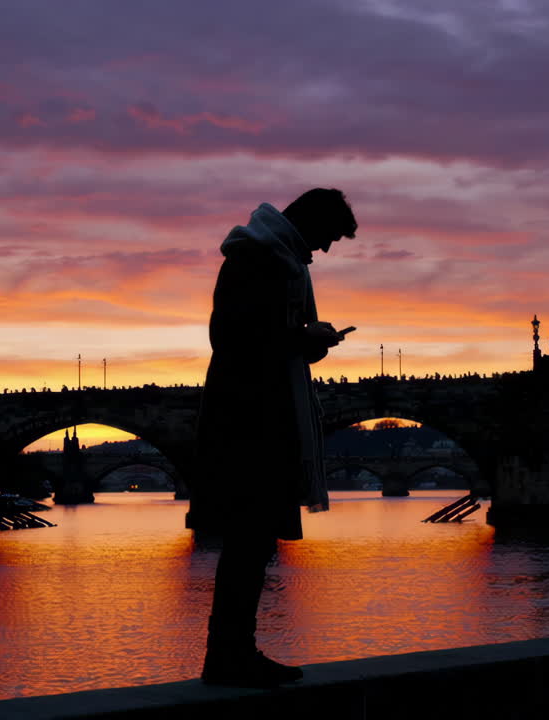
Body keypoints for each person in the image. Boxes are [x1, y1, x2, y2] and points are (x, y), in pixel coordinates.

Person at [193, 188, 357, 688]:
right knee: (249, 540)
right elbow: (234, 338)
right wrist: (304, 339)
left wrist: (310, 343)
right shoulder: (254, 257)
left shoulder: (280, 258)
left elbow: (270, 340)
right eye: (327, 237)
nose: (324, 250)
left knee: (255, 542)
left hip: (266, 415)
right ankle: (228, 655)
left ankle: (236, 649)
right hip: (249, 421)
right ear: (307, 222)